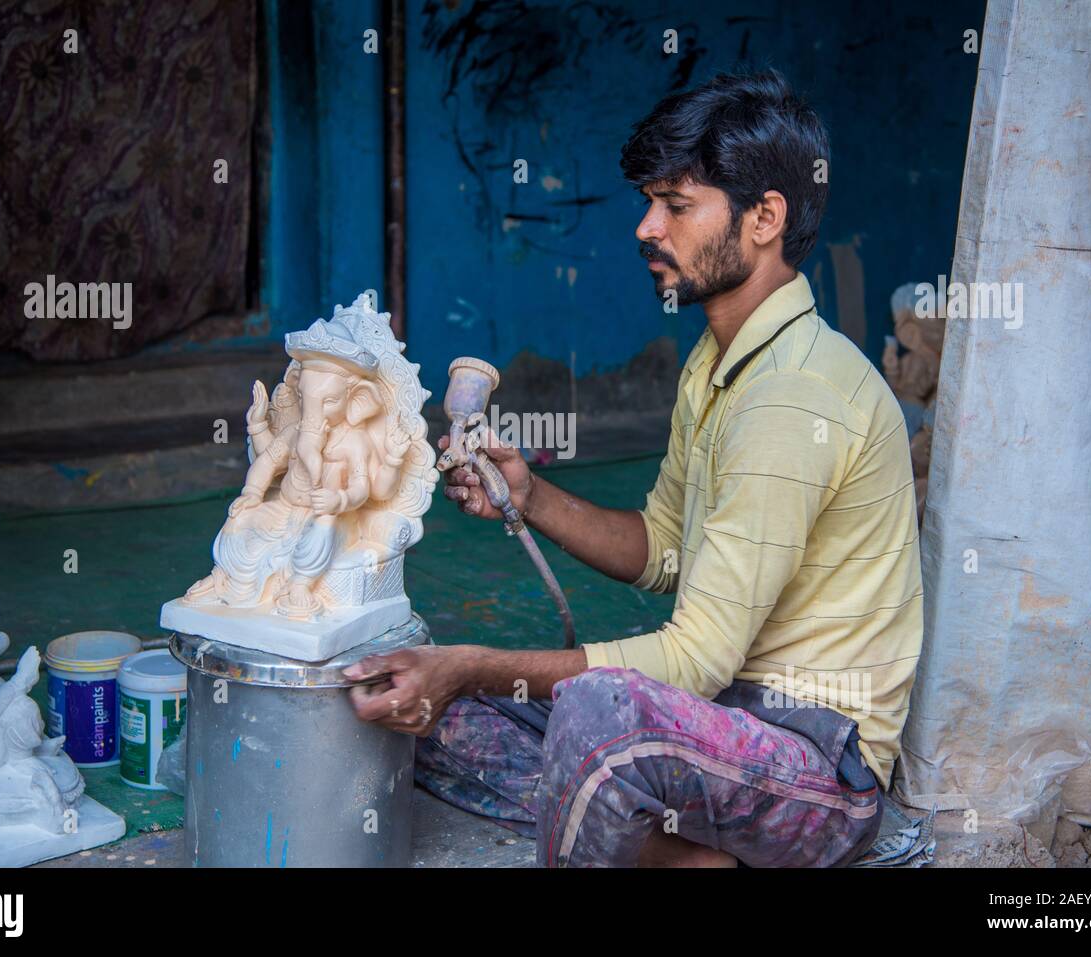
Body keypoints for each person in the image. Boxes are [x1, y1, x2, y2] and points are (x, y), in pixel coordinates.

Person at [346, 70, 922, 868]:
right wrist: (531, 495)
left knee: (596, 709)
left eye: (677, 206)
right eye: (649, 203)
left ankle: (678, 840)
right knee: (432, 717)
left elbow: (693, 660)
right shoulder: (719, 362)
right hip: (714, 730)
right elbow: (662, 546)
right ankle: (692, 854)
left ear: (765, 218)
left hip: (814, 769)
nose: (647, 228)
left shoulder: (795, 400)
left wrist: (474, 662)